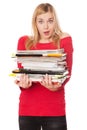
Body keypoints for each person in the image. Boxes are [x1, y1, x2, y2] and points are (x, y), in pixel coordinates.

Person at [15, 3, 73, 130]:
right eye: (41, 21)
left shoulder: (63, 41)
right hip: (27, 110)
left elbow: (67, 74)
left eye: (50, 21)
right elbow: (22, 73)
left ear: (55, 22)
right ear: (35, 23)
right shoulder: (24, 42)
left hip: (54, 110)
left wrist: (55, 87)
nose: (46, 26)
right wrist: (23, 85)